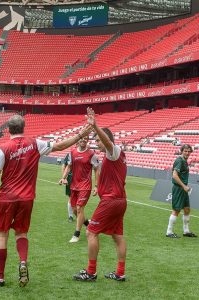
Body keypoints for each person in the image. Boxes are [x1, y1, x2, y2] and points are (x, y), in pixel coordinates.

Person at [0, 114, 92, 288]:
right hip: (27, 198)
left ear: (8, 129)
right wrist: (81, 134)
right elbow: (61, 145)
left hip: (7, 198)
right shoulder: (36, 144)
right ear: (24, 127)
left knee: (2, 234)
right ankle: (22, 262)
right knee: (21, 233)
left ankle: (0, 276)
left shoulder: (2, 149)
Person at [73, 107, 128, 282]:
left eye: (98, 140)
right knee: (117, 236)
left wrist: (95, 126)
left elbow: (108, 142)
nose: (96, 142)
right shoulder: (112, 156)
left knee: (90, 233)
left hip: (111, 201)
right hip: (120, 200)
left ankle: (91, 272)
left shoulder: (114, 152)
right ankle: (120, 272)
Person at [60, 135, 100, 243]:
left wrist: (96, 186)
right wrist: (63, 178)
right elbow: (69, 166)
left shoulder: (91, 154)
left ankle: (76, 234)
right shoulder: (72, 152)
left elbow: (96, 170)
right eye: (81, 138)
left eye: (85, 138)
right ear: (78, 140)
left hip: (85, 186)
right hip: (74, 185)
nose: (83, 140)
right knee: (73, 209)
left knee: (79, 208)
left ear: (87, 140)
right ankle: (88, 223)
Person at [165, 144, 197, 239]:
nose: (187, 153)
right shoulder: (179, 160)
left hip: (183, 189)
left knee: (187, 209)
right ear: (182, 151)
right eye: (185, 151)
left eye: (188, 151)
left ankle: (186, 231)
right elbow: (174, 175)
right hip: (179, 189)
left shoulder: (185, 161)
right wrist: (184, 186)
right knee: (176, 210)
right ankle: (169, 231)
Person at [61, 152, 74, 222]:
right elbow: (64, 166)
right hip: (71, 178)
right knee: (71, 198)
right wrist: (64, 178)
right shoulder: (70, 154)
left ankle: (80, 216)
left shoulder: (87, 153)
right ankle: (70, 216)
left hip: (82, 180)